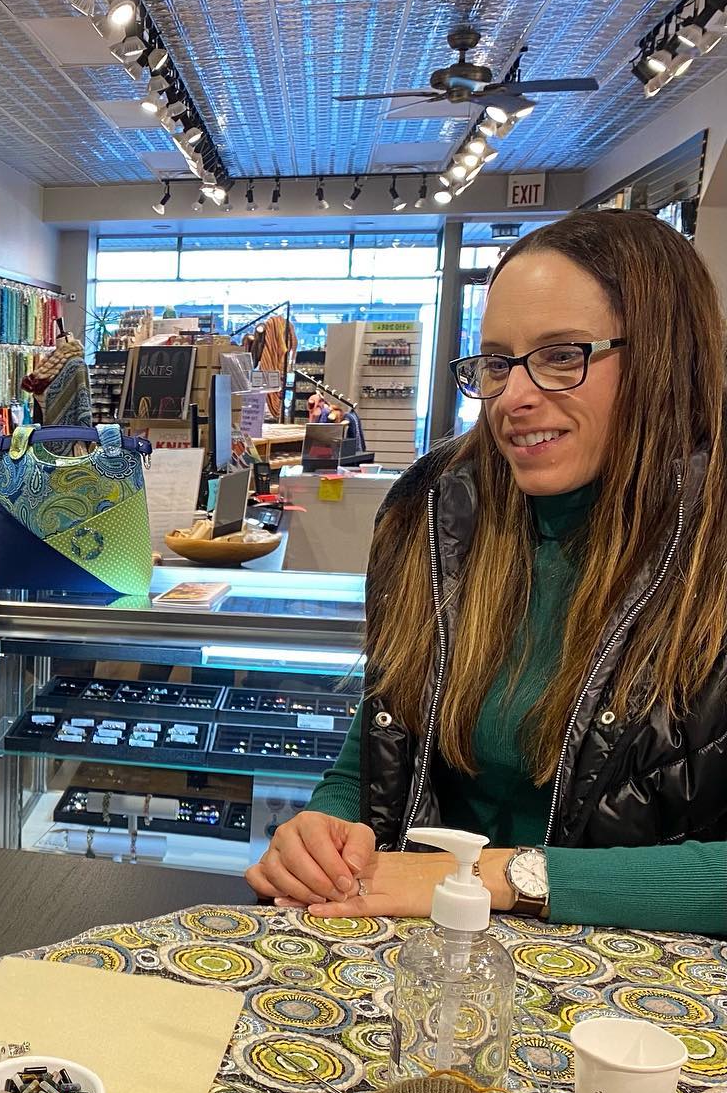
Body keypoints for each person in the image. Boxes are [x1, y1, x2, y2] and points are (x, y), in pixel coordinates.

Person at [247, 210, 726, 932]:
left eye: (563, 355)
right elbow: (377, 744)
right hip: (430, 958)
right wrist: (323, 835)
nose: (515, 397)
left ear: (666, 356)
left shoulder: (707, 556)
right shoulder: (437, 516)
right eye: (496, 363)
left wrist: (493, 876)